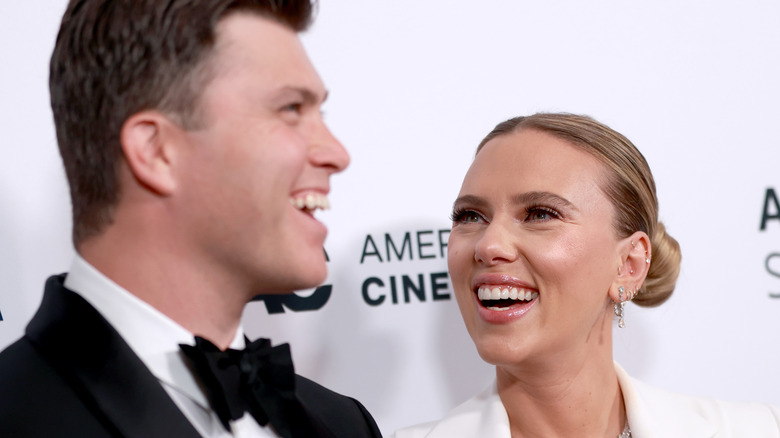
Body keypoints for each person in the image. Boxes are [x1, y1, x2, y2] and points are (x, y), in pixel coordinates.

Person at [0, 1, 382, 437]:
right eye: (291, 109)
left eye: (322, 114)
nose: (337, 154)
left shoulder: (346, 425)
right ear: (156, 151)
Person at [394, 113, 780, 437]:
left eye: (540, 214)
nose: (488, 244)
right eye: (470, 216)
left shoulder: (751, 430)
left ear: (629, 265)